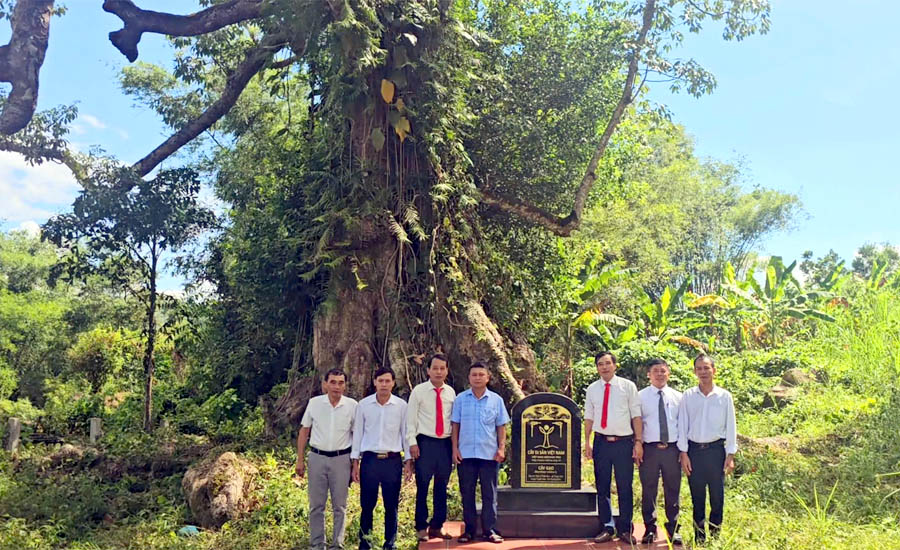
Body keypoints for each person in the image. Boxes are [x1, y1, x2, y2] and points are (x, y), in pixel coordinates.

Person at [677, 354, 737, 544]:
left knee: (717, 496)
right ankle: (700, 538)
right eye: (699, 369)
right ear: (695, 371)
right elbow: (682, 425)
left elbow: (731, 425)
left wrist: (730, 454)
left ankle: (715, 535)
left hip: (715, 451)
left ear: (714, 370)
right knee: (697, 497)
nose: (703, 372)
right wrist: (683, 453)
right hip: (694, 452)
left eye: (706, 368)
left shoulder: (724, 396)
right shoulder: (688, 395)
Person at [584, 351, 642, 545]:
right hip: (601, 442)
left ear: (615, 365)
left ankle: (625, 528)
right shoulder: (592, 389)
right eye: (600, 364)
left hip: (624, 443)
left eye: (608, 363)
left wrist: (638, 441)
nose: (604, 367)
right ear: (597, 367)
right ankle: (607, 527)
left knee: (624, 486)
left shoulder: (627, 386)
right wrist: (587, 441)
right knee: (602, 486)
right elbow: (589, 416)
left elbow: (636, 416)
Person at [296, 369, 358, 550]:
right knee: (316, 505)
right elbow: (304, 431)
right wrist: (300, 459)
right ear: (325, 384)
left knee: (340, 505)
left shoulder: (352, 406)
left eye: (340, 383)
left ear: (345, 386)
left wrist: (356, 464)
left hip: (341, 459)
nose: (336, 386)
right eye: (333, 382)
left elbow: (356, 435)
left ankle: (337, 544)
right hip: (317, 457)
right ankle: (317, 544)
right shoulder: (314, 404)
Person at [351, 367, 411, 550]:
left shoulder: (401, 406)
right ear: (374, 382)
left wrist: (408, 461)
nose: (384, 384)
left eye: (388, 381)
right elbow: (358, 434)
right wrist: (355, 462)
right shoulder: (363, 405)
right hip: (370, 461)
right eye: (381, 381)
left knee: (391, 504)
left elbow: (406, 434)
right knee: (367, 504)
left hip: (392, 461)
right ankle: (365, 541)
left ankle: (390, 542)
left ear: (393, 383)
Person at [451, 362, 510, 544]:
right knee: (467, 493)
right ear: (469, 378)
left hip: (489, 454)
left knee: (489, 494)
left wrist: (501, 448)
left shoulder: (496, 400)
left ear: (487, 377)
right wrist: (455, 448)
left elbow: (501, 426)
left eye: (480, 375)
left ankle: (490, 530)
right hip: (466, 454)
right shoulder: (460, 399)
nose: (477, 378)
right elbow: (455, 425)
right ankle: (469, 531)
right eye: (474, 375)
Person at [407, 353, 456, 541]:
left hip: (444, 444)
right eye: (435, 368)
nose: (438, 372)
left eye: (442, 368)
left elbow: (454, 422)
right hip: (425, 443)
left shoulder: (451, 393)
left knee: (441, 487)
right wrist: (412, 442)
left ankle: (437, 526)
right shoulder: (418, 391)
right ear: (428, 370)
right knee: (423, 486)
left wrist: (454, 447)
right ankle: (421, 527)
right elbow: (410, 420)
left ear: (447, 371)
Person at [638, 359, 683, 546]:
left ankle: (673, 528)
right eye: (655, 371)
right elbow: (637, 423)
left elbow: (683, 424)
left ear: (669, 374)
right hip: (649, 449)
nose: (659, 374)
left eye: (663, 371)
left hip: (672, 449)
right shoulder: (640, 397)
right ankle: (650, 528)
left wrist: (683, 450)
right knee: (649, 489)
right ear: (648, 374)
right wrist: (637, 444)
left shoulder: (678, 397)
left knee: (673, 489)